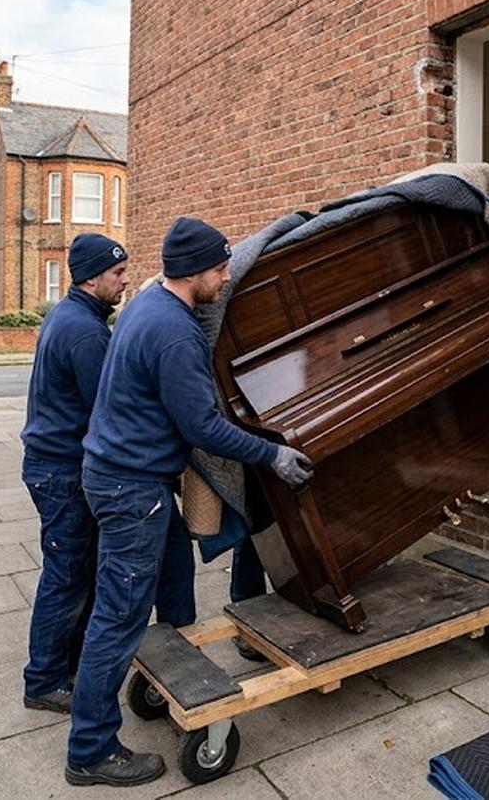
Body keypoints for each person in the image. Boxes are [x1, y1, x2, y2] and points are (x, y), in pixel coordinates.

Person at [65, 216, 314, 788]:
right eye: (221, 269)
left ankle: (169, 673)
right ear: (195, 272)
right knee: (118, 614)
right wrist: (271, 456)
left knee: (174, 572)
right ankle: (90, 749)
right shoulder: (175, 332)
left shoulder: (148, 306)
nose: (227, 278)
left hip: (121, 476)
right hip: (131, 487)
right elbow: (202, 426)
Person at [17, 233, 130, 715]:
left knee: (73, 570)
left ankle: (66, 664)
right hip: (60, 471)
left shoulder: (70, 316)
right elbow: (106, 407)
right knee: (65, 576)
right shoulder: (85, 333)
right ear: (91, 277)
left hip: (52, 465)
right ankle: (44, 679)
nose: (125, 280)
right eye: (118, 274)